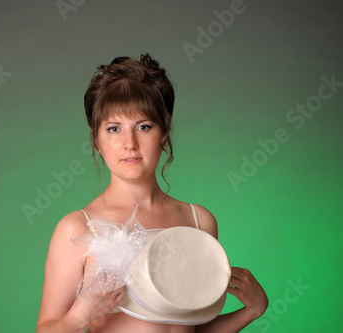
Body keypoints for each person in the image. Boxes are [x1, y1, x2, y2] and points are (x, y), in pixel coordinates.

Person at [36, 54, 268, 333]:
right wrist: (78, 318)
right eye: (113, 129)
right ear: (97, 141)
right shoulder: (77, 228)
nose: (129, 144)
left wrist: (252, 311)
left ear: (164, 134)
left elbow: (191, 329)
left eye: (143, 127)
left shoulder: (198, 221)